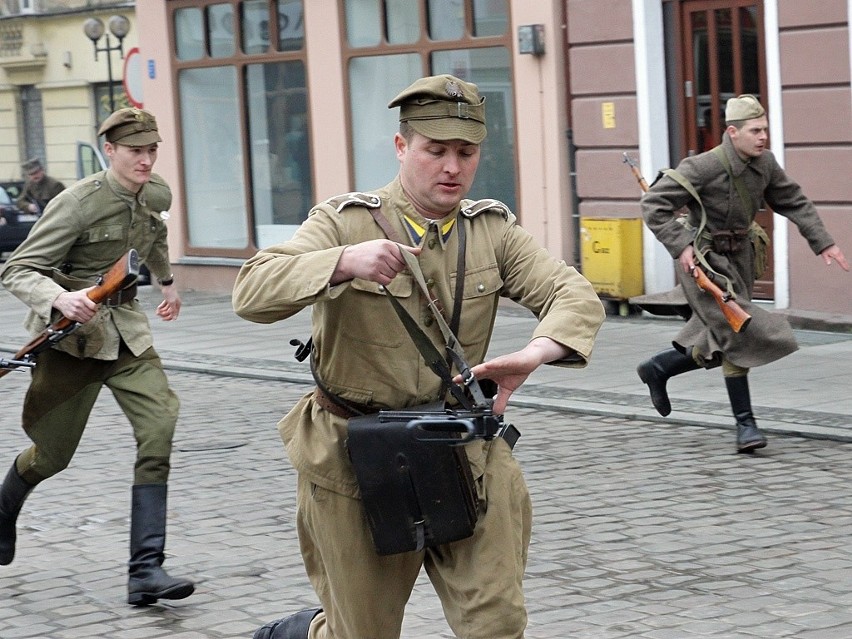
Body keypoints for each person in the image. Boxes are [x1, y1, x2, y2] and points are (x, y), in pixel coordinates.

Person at [233, 74, 605, 639]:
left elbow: (571, 293)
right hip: (356, 453)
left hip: (463, 448)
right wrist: (342, 262)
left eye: (466, 152)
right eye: (436, 151)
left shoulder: (492, 231)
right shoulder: (343, 221)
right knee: (363, 632)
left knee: (496, 623)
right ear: (403, 146)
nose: (452, 167)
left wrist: (536, 352)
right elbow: (251, 293)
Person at [0, 107, 195, 606]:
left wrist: (167, 282)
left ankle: (145, 571)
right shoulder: (78, 204)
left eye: (152, 150)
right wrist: (59, 299)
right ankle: (3, 511)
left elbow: (152, 236)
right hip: (72, 342)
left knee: (160, 426)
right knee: (53, 456)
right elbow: (18, 268)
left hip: (127, 335)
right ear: (109, 150)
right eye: (135, 152)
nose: (147, 161)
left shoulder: (155, 194)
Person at [637, 94, 848, 453]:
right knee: (738, 332)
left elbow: (794, 200)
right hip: (705, 263)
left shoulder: (764, 164)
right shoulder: (701, 167)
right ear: (733, 132)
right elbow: (653, 205)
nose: (763, 136)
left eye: (765, 129)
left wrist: (823, 242)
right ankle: (745, 425)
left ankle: (659, 368)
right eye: (755, 130)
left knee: (723, 332)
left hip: (742, 259)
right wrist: (682, 245)